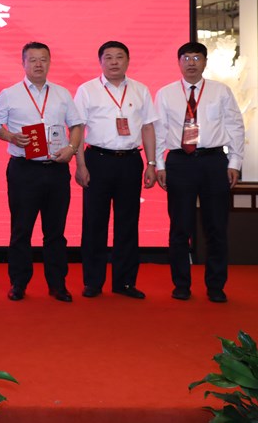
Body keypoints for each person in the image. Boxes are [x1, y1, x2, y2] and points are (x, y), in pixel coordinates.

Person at [154, 41, 245, 303]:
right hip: (179, 162)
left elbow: (235, 126)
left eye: (196, 58)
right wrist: (159, 165)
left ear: (205, 62)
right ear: (178, 62)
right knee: (180, 227)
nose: (191, 63)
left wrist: (234, 163)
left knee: (216, 227)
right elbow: (159, 131)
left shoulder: (220, 91)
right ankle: (181, 285)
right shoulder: (166, 93)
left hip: (213, 161)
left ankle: (216, 286)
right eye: (186, 58)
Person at [0, 41, 84, 302]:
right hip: (24, 169)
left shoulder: (62, 93)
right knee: (21, 230)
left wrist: (71, 148)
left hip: (56, 168)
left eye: (43, 59)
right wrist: (11, 137)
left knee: (55, 231)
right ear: (23, 63)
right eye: (32, 59)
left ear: (49, 62)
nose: (38, 64)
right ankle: (18, 283)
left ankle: (57, 284)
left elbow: (76, 126)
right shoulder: (10, 94)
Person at [73, 40, 157, 299]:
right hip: (97, 160)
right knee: (94, 223)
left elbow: (148, 128)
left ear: (127, 61)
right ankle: (93, 282)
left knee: (128, 223)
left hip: (131, 161)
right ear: (100, 62)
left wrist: (151, 163)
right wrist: (80, 164)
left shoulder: (140, 90)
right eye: (108, 57)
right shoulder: (87, 90)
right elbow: (77, 129)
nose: (113, 62)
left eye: (119, 57)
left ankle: (125, 282)